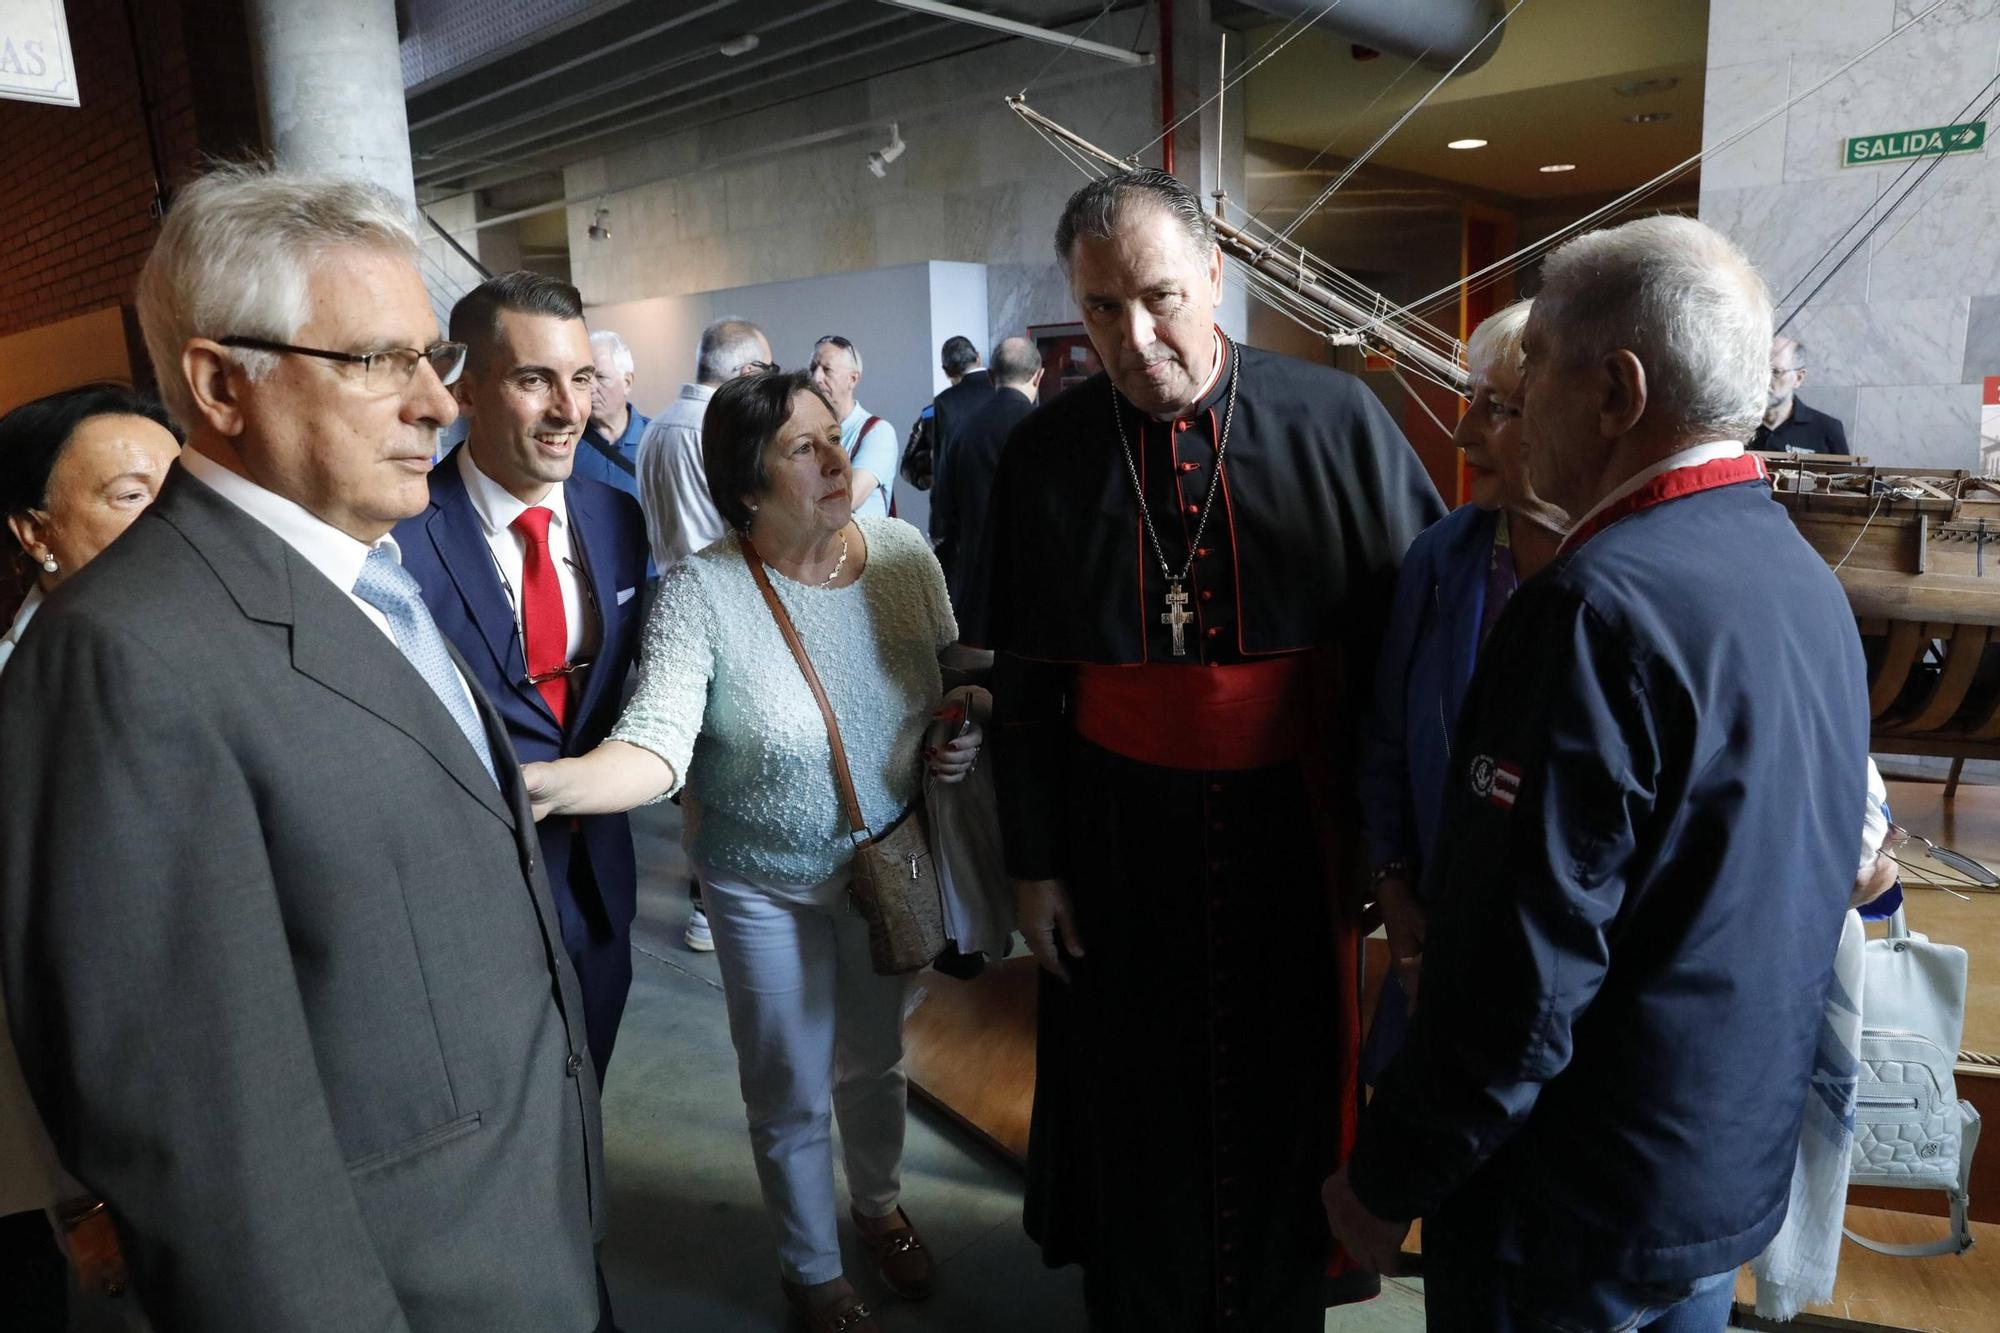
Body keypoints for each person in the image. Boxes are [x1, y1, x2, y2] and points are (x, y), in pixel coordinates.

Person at [0, 164, 605, 1332]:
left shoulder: (374, 571)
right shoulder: (121, 659)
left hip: (519, 1227)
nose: (440, 402)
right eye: (380, 361)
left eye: (433, 358)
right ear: (222, 383)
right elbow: (196, 1134)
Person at [1324, 215, 1870, 1332]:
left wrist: (1385, 1181)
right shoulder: (1799, 576)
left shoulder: (1589, 607)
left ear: (1616, 392)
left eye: (1533, 377)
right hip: (1714, 1169)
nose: (1510, 419)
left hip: (1569, 1197)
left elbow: (1519, 977)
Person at [974, 168, 1443, 1331]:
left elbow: (1409, 661)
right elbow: (1025, 681)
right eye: (1098, 311)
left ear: (1217, 275)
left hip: (1297, 828)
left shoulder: (1332, 418)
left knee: (1285, 1083)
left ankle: (1283, 1298)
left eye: (1159, 297)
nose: (1133, 339)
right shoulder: (1043, 455)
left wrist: (1390, 854)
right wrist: (1032, 862)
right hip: (1113, 836)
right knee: (1135, 1089)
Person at [525, 370, 981, 1333]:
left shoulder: (902, 555)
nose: (837, 460)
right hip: (757, 879)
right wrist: (547, 787)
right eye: (802, 448)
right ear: (746, 487)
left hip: (880, 864)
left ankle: (879, 1203)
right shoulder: (703, 590)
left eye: (836, 437)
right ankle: (810, 1268)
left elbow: (956, 677)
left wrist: (964, 721)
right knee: (785, 1079)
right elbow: (655, 742)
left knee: (876, 1059)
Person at [393, 271, 650, 1083]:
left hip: (602, 883)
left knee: (591, 1093)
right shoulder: (399, 535)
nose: (569, 410)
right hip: (468, 900)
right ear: (464, 389)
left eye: (581, 379)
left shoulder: (617, 516)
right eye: (534, 379)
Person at [0, 383, 181, 1331]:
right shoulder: (21, 707)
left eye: (179, 488)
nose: (169, 519)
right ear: (35, 532)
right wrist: (78, 1197)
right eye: (128, 494)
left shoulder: (185, 654)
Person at [1355, 300, 1569, 1081]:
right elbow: (1385, 735)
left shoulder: (1642, 574)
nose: (1461, 431)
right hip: (1437, 950)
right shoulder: (1440, 558)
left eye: (1498, 408)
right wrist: (1393, 884)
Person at [634, 314, 775, 953]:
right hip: (724, 604)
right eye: (765, 372)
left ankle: (707, 900)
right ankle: (713, 902)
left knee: (698, 760)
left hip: (667, 598)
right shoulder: (716, 430)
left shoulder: (658, 427)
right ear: (744, 372)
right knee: (730, 760)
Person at [931, 334, 1040, 616]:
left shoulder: (962, 431)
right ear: (1039, 377)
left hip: (976, 573)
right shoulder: (1049, 428)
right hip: (1034, 573)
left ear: (991, 376)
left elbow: (944, 504)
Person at [808, 334, 899, 517]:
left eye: (827, 370)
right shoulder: (807, 433)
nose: (816, 378)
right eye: (813, 369)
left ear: (853, 379)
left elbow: (846, 500)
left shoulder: (878, 433)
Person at [899, 335, 986, 496]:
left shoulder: (933, 412)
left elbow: (908, 467)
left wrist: (935, 466)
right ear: (978, 358)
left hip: (955, 506)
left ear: (946, 371)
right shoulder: (1006, 399)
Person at [575, 329, 650, 500]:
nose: (590, 388)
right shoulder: (567, 444)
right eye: (584, 379)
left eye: (601, 377)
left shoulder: (656, 441)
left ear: (627, 382)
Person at [1752, 335, 1849, 454]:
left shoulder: (1827, 429)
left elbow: (1843, 473)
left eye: (1776, 372)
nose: (1765, 380)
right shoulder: (1735, 425)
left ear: (1799, 378)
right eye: (1760, 371)